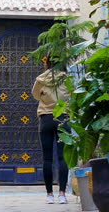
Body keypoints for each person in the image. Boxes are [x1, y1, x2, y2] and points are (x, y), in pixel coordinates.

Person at [32, 60, 70, 204]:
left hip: (46, 119)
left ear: (47, 62)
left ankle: (49, 195)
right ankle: (62, 194)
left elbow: (36, 95)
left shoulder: (41, 79)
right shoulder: (66, 78)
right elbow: (71, 94)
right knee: (63, 158)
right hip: (63, 119)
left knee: (47, 159)